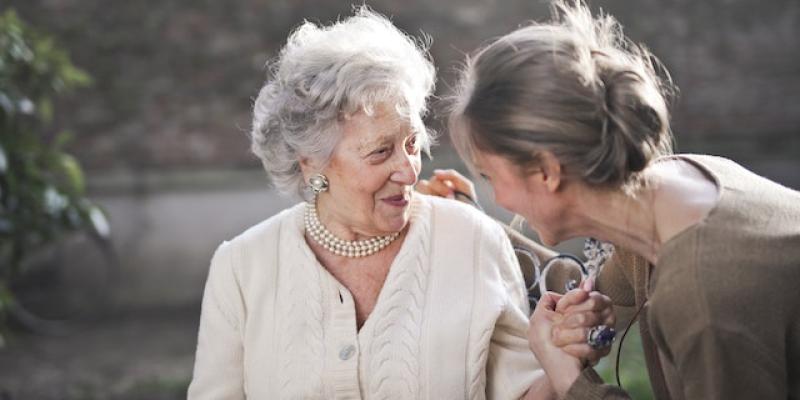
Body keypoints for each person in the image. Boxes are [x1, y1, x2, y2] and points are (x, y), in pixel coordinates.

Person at [187, 8, 613, 399]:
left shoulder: (472, 240)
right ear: (311, 162)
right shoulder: (241, 268)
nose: (409, 172)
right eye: (380, 152)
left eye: (411, 143)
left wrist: (563, 358)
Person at [444, 1, 800, 399]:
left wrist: (569, 379)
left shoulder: (702, 297)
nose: (499, 197)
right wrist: (460, 221)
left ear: (546, 171)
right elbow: (593, 290)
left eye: (491, 176)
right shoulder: (675, 187)